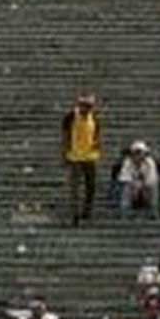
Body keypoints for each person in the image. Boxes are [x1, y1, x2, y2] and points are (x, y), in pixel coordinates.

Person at [61, 93, 101, 226]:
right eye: (85, 106)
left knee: (91, 186)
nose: (87, 109)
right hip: (75, 156)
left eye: (90, 106)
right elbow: (65, 135)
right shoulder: (72, 116)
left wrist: (97, 145)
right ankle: (75, 214)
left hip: (90, 156)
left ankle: (87, 211)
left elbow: (96, 133)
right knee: (76, 187)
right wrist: (64, 153)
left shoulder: (94, 117)